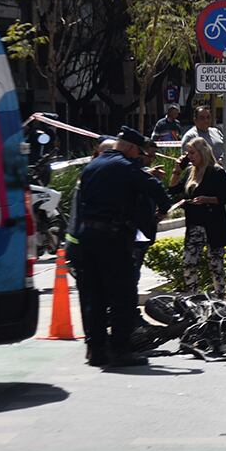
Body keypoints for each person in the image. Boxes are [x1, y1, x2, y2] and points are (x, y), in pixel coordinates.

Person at [70, 126, 172, 367]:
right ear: (129, 147)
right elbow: (155, 188)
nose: (139, 156)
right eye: (138, 151)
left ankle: (95, 349)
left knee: (92, 296)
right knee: (122, 294)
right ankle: (120, 348)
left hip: (86, 237)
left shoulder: (91, 166)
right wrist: (163, 208)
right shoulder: (126, 166)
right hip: (112, 239)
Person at [169, 137, 226, 295]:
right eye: (188, 153)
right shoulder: (190, 172)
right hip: (194, 225)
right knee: (188, 263)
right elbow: (173, 189)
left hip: (213, 225)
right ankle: (193, 296)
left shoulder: (216, 172)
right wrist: (177, 169)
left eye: (192, 153)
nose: (189, 157)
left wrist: (207, 199)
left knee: (216, 264)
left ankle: (220, 297)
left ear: (202, 152)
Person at [131, 138, 168, 282]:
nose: (152, 159)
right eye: (149, 155)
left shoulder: (150, 175)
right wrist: (147, 174)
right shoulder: (133, 171)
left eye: (154, 156)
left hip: (146, 229)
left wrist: (159, 215)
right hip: (132, 230)